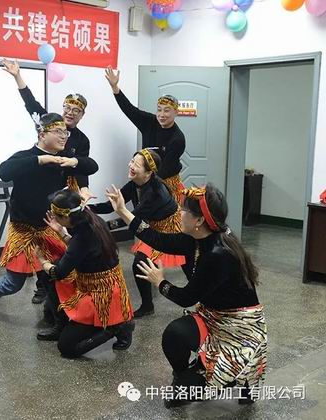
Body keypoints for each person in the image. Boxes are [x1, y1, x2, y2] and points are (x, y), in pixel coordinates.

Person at [106, 183, 267, 407]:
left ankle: (238, 374)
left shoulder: (217, 254)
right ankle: (187, 375)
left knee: (175, 399)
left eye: (184, 210)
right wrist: (123, 210)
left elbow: (186, 298)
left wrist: (160, 282)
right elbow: (158, 239)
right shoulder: (199, 238)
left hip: (239, 330)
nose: (179, 213)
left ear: (199, 220)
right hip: (212, 315)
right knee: (174, 335)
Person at [0, 113, 99, 340]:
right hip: (23, 230)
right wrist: (41, 160)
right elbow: (4, 171)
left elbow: (92, 166)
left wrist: (75, 162)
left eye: (65, 132)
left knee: (57, 275)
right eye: (58, 132)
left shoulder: (64, 158)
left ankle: (56, 317)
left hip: (49, 227)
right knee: (13, 283)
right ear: (42, 134)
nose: (64, 136)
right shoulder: (26, 157)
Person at [2, 58, 92, 304]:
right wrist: (18, 76)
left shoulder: (81, 140)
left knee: (60, 241)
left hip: (63, 190)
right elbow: (30, 104)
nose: (70, 113)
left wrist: (84, 189)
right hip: (39, 188)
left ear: (82, 115)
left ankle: (55, 281)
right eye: (67, 108)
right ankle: (43, 285)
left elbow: (84, 167)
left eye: (76, 111)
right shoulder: (49, 122)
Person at [34, 189, 135, 358]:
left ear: (67, 217)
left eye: (56, 216)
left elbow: (59, 272)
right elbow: (80, 248)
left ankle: (115, 327)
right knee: (47, 277)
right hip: (93, 281)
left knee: (67, 348)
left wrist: (42, 260)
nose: (54, 219)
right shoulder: (89, 219)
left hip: (102, 293)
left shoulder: (83, 234)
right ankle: (62, 324)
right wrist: (61, 232)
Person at [89, 149, 185, 318]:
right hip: (152, 224)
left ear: (149, 173)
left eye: (137, 165)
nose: (131, 166)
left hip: (172, 227)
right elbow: (111, 206)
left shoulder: (156, 193)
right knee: (140, 263)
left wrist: (100, 226)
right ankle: (147, 306)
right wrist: (86, 208)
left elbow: (131, 219)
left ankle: (203, 295)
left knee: (188, 261)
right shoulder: (135, 183)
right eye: (132, 161)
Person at [105, 67, 185, 201]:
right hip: (144, 177)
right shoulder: (149, 122)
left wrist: (142, 184)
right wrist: (115, 87)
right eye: (159, 110)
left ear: (176, 112)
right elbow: (130, 110)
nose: (161, 114)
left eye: (167, 110)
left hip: (166, 182)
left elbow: (164, 171)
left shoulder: (178, 139)